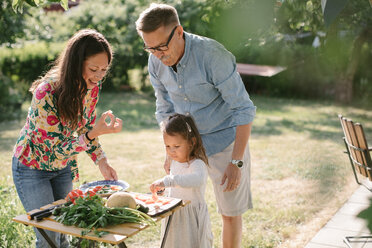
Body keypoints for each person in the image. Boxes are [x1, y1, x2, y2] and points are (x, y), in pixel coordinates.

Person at [136, 3, 256, 248]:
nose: (157, 54)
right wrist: (170, 151)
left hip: (225, 141)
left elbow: (243, 109)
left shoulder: (213, 55)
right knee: (182, 211)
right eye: (150, 48)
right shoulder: (155, 61)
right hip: (187, 148)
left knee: (230, 213)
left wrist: (236, 161)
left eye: (161, 46)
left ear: (178, 32)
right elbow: (164, 109)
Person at [12, 29, 122, 248]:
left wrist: (101, 160)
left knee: (65, 232)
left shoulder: (92, 88)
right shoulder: (46, 93)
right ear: (76, 63)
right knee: (49, 237)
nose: (99, 76)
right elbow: (54, 148)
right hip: (32, 168)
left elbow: (85, 128)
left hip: (62, 166)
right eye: (93, 69)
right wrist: (92, 134)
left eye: (104, 70)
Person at [150, 113, 213, 248]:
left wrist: (168, 181)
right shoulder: (175, 162)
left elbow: (196, 180)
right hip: (175, 214)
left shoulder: (197, 164)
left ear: (192, 142)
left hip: (191, 217)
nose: (171, 151)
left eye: (176, 146)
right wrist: (163, 190)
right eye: (167, 146)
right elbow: (175, 187)